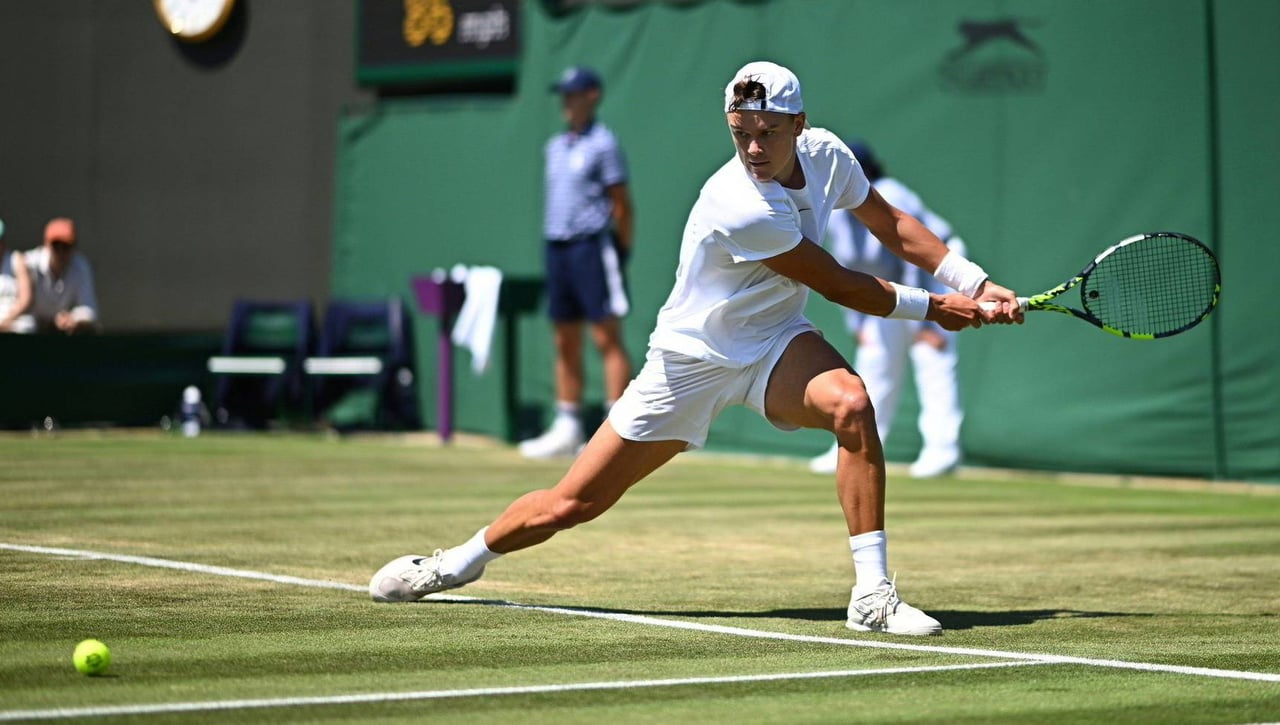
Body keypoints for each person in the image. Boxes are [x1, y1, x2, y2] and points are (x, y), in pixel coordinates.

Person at [371, 61, 1021, 636]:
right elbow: (838, 283)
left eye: (768, 132)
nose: (754, 147)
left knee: (851, 405)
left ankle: (872, 596)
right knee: (573, 503)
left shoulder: (827, 156)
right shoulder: (741, 201)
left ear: (799, 125)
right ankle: (455, 563)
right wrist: (937, 306)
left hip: (774, 342)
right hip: (690, 361)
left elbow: (893, 224)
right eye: (741, 133)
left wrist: (975, 282)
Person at [810, 142, 967, 479]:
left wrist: (928, 320)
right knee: (875, 359)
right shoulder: (834, 211)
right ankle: (859, 446)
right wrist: (859, 322)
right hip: (890, 285)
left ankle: (943, 451)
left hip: (935, 272)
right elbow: (847, 268)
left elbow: (916, 257)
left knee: (930, 356)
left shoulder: (891, 194)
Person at [518, 66, 636, 459]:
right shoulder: (554, 146)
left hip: (592, 248)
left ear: (592, 96)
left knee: (605, 336)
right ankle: (567, 427)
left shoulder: (605, 144)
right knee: (564, 338)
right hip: (557, 249)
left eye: (574, 94)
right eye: (564, 95)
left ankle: (618, 431)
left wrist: (619, 251)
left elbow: (622, 205)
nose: (567, 102)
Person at [24, 217, 99, 334]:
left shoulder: (81, 266)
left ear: (74, 247)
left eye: (65, 246)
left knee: (90, 330)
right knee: (25, 325)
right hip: (32, 326)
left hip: (64, 330)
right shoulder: (29, 263)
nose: (60, 252)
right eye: (56, 245)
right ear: (46, 244)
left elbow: (90, 309)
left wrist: (72, 318)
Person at [0, 217, 35, 333]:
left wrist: (7, 321)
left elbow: (25, 299)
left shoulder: (17, 259)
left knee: (26, 326)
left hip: (16, 318)